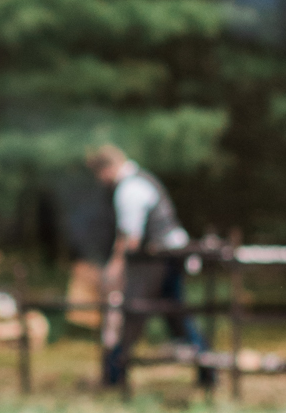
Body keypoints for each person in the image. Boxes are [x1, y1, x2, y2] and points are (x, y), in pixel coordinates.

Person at [88, 142, 211, 394]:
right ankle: (207, 371)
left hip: (159, 259)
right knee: (177, 313)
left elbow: (130, 236)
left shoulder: (129, 188)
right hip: (169, 255)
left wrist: (115, 267)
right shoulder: (141, 180)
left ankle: (114, 373)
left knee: (134, 311)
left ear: (107, 169)